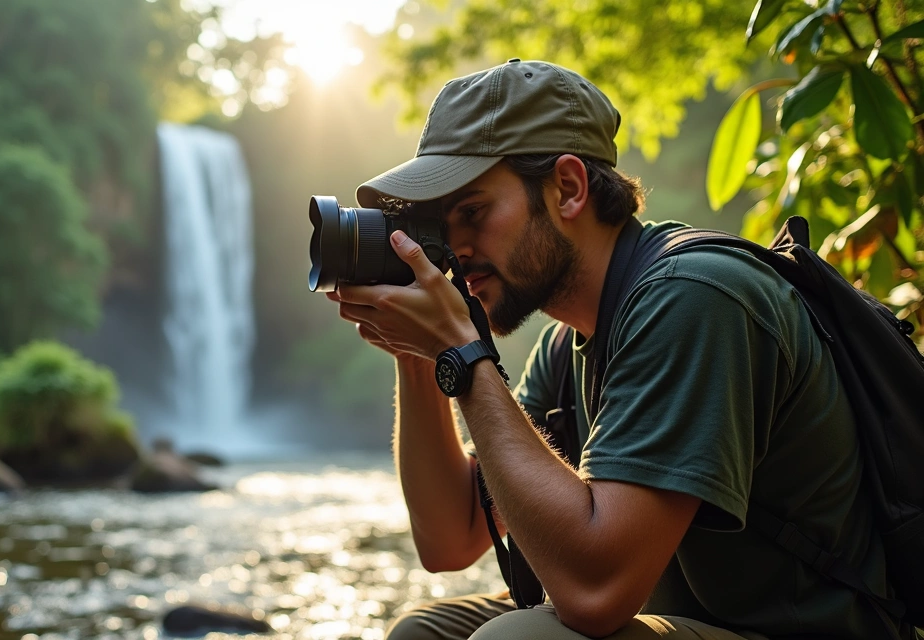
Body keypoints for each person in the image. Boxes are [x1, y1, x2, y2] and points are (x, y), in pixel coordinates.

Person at [326, 59, 908, 639]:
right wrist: (419, 352)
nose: (454, 249)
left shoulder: (695, 299)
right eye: (441, 225)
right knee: (424, 633)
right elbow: (451, 538)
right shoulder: (567, 343)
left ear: (569, 189)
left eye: (472, 213)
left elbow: (596, 593)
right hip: (685, 619)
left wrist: (464, 356)